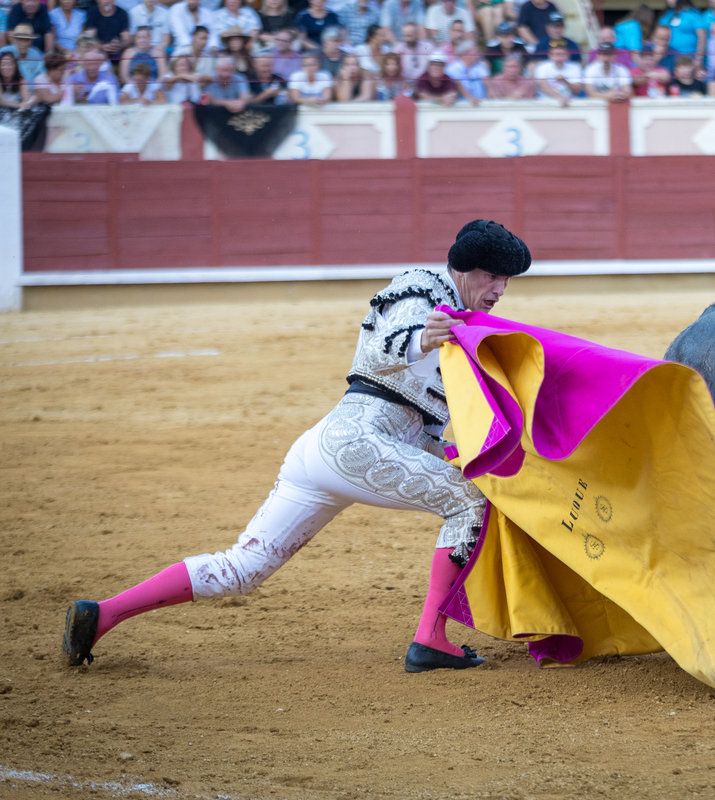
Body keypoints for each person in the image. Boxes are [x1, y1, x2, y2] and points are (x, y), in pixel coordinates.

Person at [62, 224, 533, 675]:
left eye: (506, 279)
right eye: (492, 276)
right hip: (359, 442)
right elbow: (381, 349)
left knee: (242, 570)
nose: (500, 289)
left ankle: (100, 614)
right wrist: (421, 337)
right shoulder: (423, 287)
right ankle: (430, 639)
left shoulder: (466, 323)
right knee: (470, 500)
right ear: (465, 269)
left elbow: (425, 419)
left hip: (337, 448)